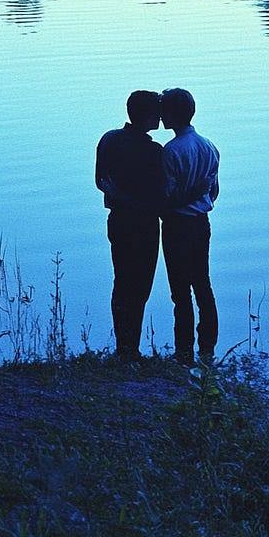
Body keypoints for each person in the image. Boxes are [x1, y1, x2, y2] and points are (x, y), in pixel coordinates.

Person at [95, 90, 164, 362]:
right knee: (141, 285)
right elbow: (159, 194)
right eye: (157, 112)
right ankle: (129, 348)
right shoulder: (154, 152)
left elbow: (101, 181)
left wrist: (120, 197)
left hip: (119, 221)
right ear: (147, 116)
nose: (160, 116)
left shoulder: (109, 140)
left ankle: (124, 345)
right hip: (145, 225)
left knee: (122, 281)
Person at [158, 88, 220, 366]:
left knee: (180, 291)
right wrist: (199, 196)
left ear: (171, 114)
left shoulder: (171, 152)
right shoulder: (209, 146)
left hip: (177, 226)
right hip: (201, 223)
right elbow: (214, 192)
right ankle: (208, 349)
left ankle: (184, 352)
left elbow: (168, 198)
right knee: (203, 284)